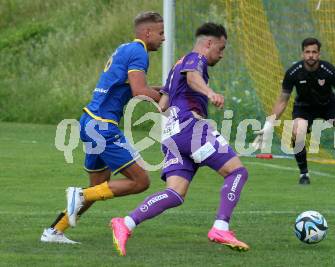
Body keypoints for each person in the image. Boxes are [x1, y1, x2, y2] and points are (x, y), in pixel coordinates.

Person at [109, 22, 250, 256]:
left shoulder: (176, 67)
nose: (221, 55)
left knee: (174, 194)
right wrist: (209, 93)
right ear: (209, 43)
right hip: (191, 128)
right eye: (221, 49)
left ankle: (126, 223)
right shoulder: (195, 59)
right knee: (237, 172)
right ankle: (220, 227)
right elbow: (194, 77)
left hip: (172, 135)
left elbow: (163, 104)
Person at [40, 11, 165, 244]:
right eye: (161, 33)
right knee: (141, 182)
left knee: (98, 187)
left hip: (89, 120)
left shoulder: (124, 48)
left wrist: (160, 89)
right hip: (103, 126)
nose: (163, 38)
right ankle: (79, 194)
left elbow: (125, 88)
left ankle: (54, 231)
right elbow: (139, 92)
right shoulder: (140, 53)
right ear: (147, 33)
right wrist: (166, 98)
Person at [253, 37, 335, 186]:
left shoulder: (329, 71)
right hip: (304, 108)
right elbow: (282, 101)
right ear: (302, 54)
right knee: (298, 131)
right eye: (307, 52)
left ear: (319, 54)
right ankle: (304, 175)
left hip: (329, 105)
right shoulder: (293, 73)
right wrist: (268, 124)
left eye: (314, 52)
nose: (311, 55)